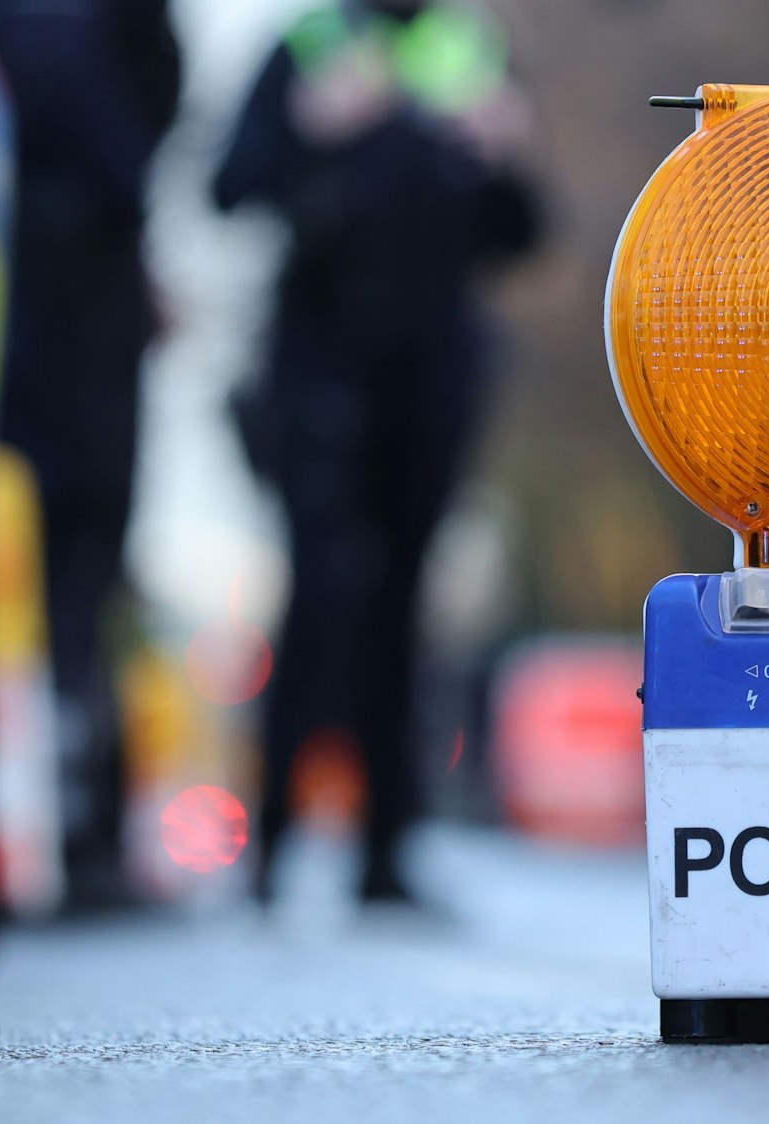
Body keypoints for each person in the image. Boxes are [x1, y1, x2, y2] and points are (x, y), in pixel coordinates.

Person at [212, 0, 538, 903]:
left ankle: (385, 854)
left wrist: (504, 152)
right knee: (319, 599)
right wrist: (311, 131)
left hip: (429, 381)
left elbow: (520, 232)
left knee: (401, 607)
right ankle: (272, 843)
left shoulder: (469, 54)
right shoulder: (309, 48)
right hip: (320, 374)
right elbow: (230, 186)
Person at [0, 0, 181, 908]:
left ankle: (68, 824)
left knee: (66, 579)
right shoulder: (66, 28)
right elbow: (117, 116)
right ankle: (70, 830)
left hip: (53, 291)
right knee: (67, 575)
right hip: (62, 306)